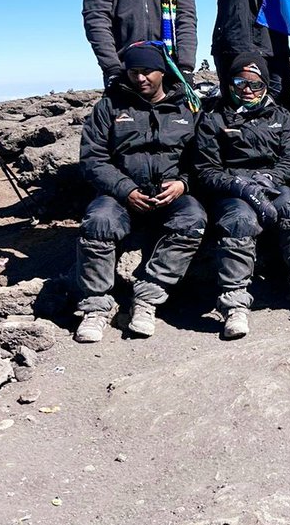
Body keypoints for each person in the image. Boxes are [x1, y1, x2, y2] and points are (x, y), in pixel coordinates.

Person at [73, 43, 206, 342]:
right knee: (99, 222)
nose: (140, 78)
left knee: (193, 219)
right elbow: (93, 158)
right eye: (134, 72)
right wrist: (126, 189)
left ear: (162, 71)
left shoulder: (188, 106)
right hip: (120, 194)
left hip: (172, 193)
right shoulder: (109, 106)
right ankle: (96, 307)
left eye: (147, 71)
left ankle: (147, 299)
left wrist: (184, 183)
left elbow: (204, 159)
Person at [194, 52, 290, 338]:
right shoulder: (213, 116)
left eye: (255, 84)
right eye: (239, 82)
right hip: (232, 189)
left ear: (265, 85)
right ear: (229, 83)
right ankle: (235, 304)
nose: (247, 90)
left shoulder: (279, 115)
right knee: (239, 221)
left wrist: (269, 180)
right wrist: (241, 186)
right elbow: (205, 169)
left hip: (271, 184)